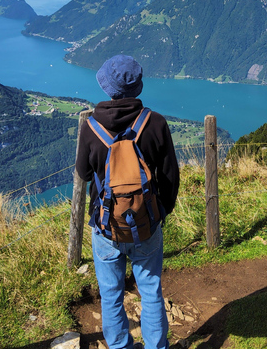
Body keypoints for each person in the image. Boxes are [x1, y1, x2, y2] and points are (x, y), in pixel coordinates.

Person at [76, 55, 180, 349]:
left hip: (106, 225)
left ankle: (121, 346)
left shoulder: (91, 127)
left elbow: (84, 173)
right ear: (137, 87)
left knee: (111, 294)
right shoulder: (155, 123)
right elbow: (170, 176)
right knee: (151, 291)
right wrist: (160, 211)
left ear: (107, 86)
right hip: (146, 223)